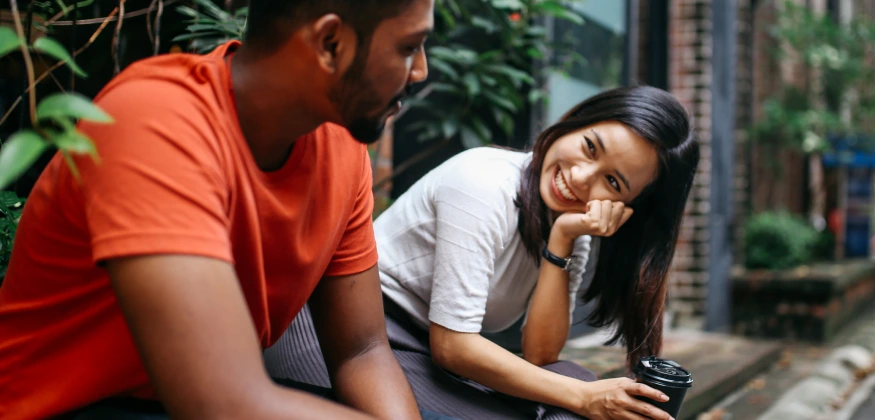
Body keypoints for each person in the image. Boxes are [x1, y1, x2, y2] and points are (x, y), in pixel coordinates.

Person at [0, 0, 436, 418]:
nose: (421, 71)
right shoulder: (156, 120)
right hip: (70, 407)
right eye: (408, 47)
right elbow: (224, 406)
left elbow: (361, 352)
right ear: (330, 44)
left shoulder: (342, 148)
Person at [265, 86, 701, 419]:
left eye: (613, 183)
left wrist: (562, 241)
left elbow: (541, 357)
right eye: (589, 147)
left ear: (627, 207)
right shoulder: (483, 182)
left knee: (570, 381)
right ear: (575, 122)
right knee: (572, 400)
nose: (582, 178)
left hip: (418, 353)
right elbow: (454, 347)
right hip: (340, 339)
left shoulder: (571, 224)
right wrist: (587, 398)